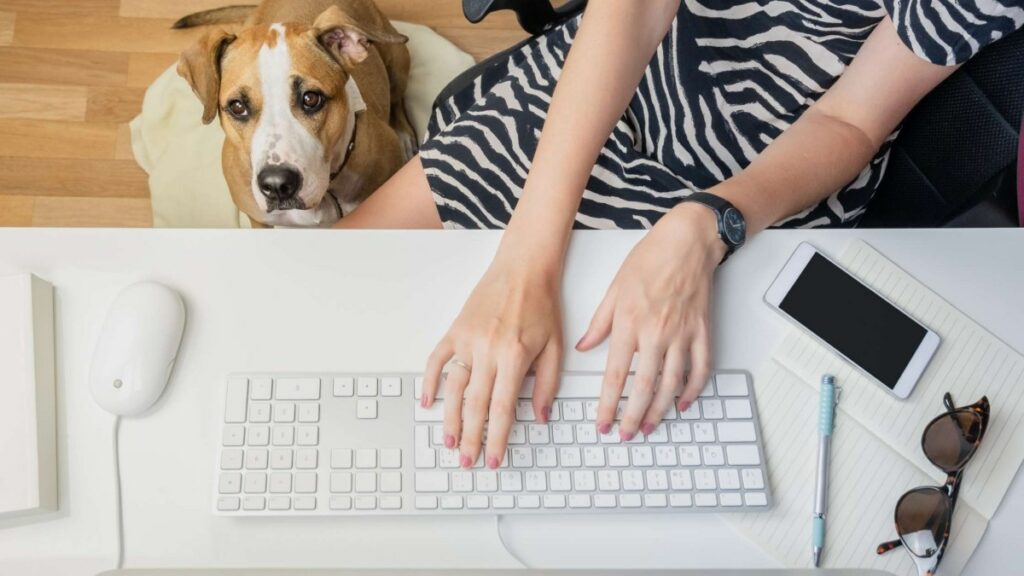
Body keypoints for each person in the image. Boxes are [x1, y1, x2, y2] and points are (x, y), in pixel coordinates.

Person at [337, 1, 1023, 470]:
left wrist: (707, 225)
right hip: (610, 84)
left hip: (766, 177)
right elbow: (630, 13)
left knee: (613, 446)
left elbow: (851, 122)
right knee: (325, 276)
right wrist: (524, 260)